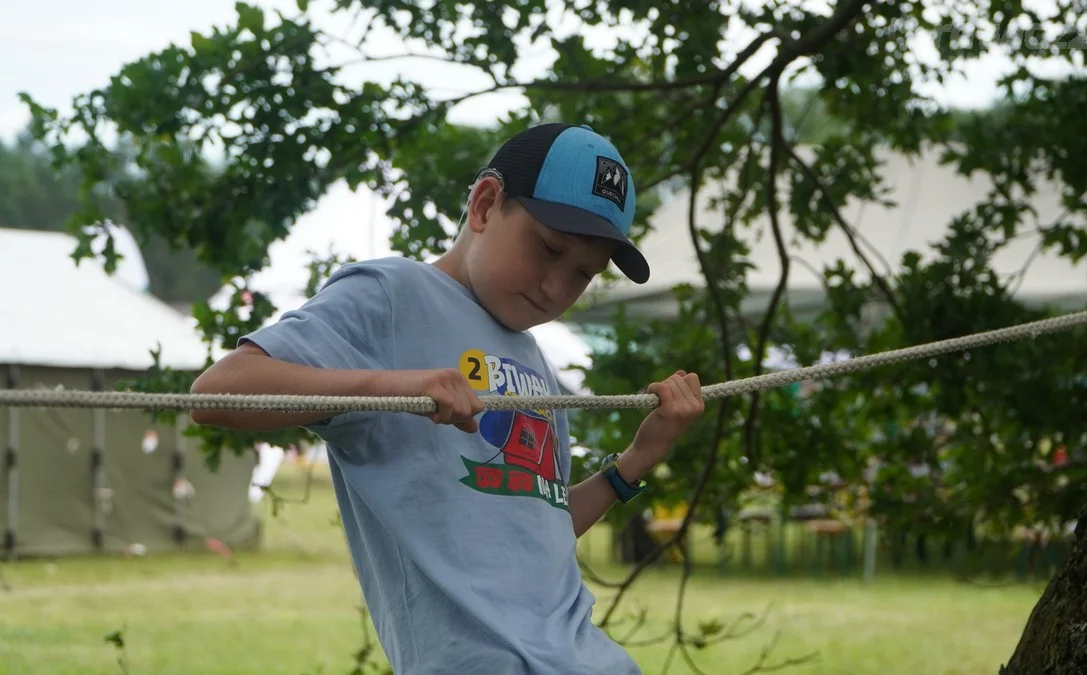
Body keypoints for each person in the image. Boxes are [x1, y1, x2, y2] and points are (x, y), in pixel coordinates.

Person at [189, 122, 705, 674]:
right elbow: (218, 391)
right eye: (548, 249)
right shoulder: (393, 294)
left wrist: (634, 464)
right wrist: (397, 387)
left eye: (583, 273)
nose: (557, 288)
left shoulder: (534, 360)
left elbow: (535, 530)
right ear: (484, 205)